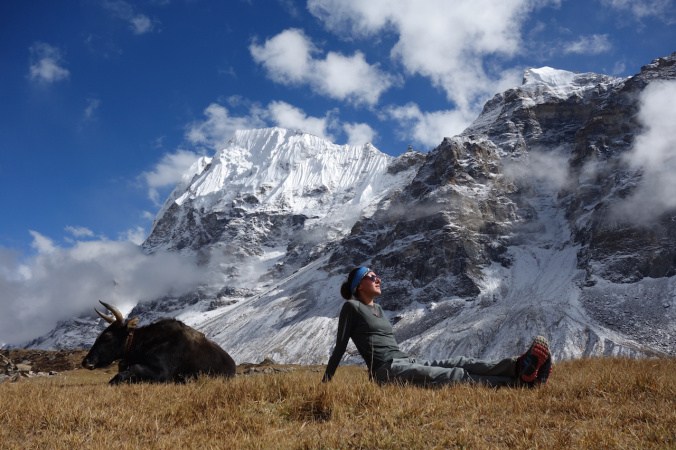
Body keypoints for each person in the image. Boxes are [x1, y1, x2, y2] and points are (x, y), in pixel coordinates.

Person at [322, 266, 552, 388]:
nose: (378, 278)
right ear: (359, 285)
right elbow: (340, 347)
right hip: (385, 371)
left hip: (405, 360)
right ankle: (519, 383)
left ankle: (518, 366)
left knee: (463, 361)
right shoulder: (351, 307)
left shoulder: (379, 310)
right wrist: (325, 384)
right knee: (453, 376)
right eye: (371, 276)